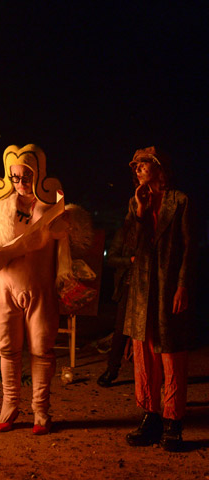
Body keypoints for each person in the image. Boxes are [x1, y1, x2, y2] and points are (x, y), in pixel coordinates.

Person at [0, 144, 67, 435]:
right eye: (15, 178)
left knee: (41, 350)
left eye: (26, 177)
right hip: (3, 286)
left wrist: (69, 223)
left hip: (39, 289)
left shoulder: (52, 206)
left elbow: (73, 237)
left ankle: (41, 412)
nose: (20, 184)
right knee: (7, 349)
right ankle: (9, 406)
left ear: (39, 175)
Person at [122, 146, 195, 452]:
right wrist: (139, 211)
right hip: (142, 290)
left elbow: (190, 247)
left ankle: (173, 422)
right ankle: (150, 416)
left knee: (171, 354)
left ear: (158, 167)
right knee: (143, 354)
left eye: (143, 164)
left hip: (168, 287)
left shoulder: (180, 200)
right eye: (135, 165)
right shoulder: (136, 201)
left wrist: (182, 286)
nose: (137, 169)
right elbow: (129, 244)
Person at [97, 220, 135, 387]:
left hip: (152, 287)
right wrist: (131, 260)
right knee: (121, 330)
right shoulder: (126, 231)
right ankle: (112, 370)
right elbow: (111, 258)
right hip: (129, 285)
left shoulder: (156, 229)